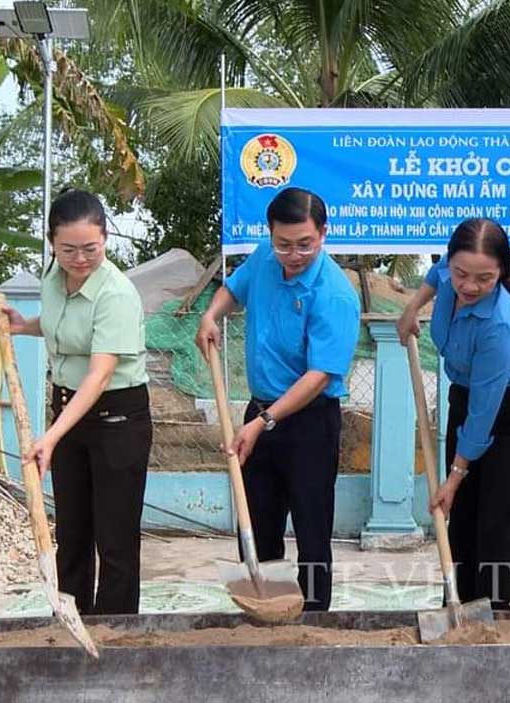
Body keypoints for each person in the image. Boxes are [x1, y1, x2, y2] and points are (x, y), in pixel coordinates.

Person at [195, 187, 360, 611]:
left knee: (311, 527)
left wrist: (263, 421)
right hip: (260, 410)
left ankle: (314, 619)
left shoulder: (336, 294)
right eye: (284, 244)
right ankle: (264, 613)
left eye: (305, 244)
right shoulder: (264, 259)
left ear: (323, 233)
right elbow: (234, 289)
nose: (294, 254)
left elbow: (319, 375)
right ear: (270, 235)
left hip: (310, 422)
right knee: (256, 524)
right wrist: (212, 315)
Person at [0, 188, 151, 615]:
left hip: (116, 417)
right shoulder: (52, 278)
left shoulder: (116, 293)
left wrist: (51, 437)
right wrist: (24, 326)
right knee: (73, 531)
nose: (80, 259)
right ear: (52, 243)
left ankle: (114, 631)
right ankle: (71, 619)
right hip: (69, 411)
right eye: (68, 249)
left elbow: (98, 375)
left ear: (105, 240)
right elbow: (65, 328)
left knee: (114, 538)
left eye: (90, 249)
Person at [396, 218, 510, 610]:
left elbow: (485, 412)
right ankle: (458, 604)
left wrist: (454, 475)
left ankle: (496, 609)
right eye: (462, 274)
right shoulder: (448, 275)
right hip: (466, 398)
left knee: (495, 516)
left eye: (484, 278)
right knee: (461, 515)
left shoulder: (502, 326)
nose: (469, 286)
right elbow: (435, 274)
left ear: (502, 273)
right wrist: (412, 307)